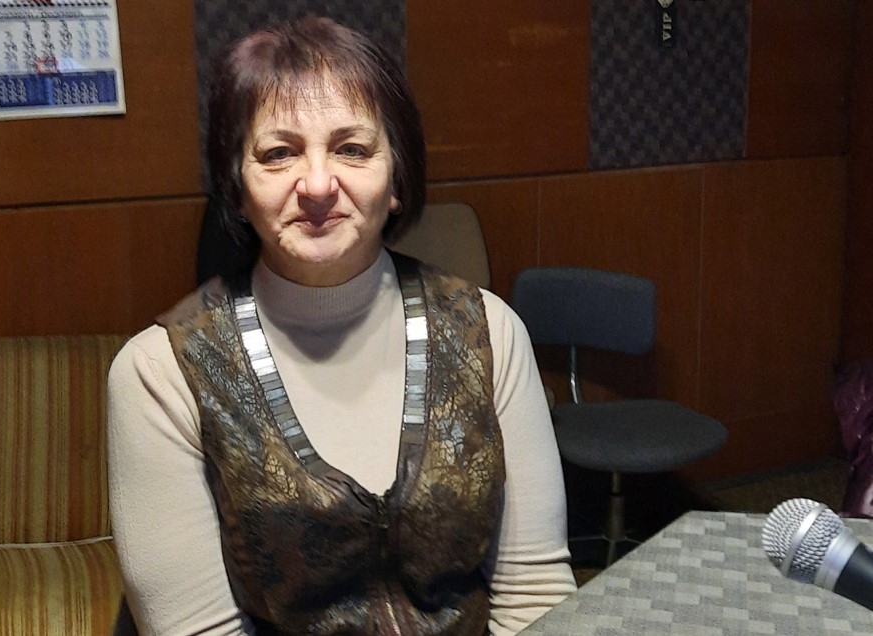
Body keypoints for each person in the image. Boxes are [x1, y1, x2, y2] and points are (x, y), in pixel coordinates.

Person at [107, 16, 577, 635]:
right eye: (279, 154)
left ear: (397, 179)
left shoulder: (490, 333)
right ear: (237, 190)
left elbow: (534, 593)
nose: (318, 185)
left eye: (352, 149)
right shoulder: (160, 373)